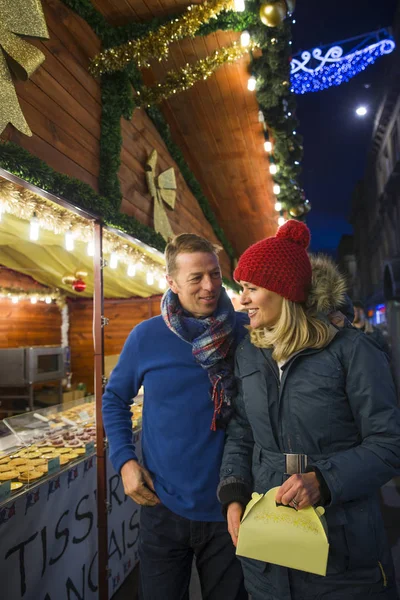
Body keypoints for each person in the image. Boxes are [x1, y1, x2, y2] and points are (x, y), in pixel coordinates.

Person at [218, 220, 400, 600]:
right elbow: (241, 431)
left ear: (283, 292)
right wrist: (234, 492)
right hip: (268, 558)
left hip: (343, 560)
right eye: (241, 290)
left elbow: (389, 443)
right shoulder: (249, 352)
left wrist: (325, 480)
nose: (243, 300)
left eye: (251, 289)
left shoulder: (353, 352)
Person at [102, 233, 249, 600]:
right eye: (196, 277)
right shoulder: (146, 337)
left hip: (231, 505)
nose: (210, 286)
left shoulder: (246, 330)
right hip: (162, 506)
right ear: (171, 282)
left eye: (214, 274)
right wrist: (124, 462)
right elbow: (114, 398)